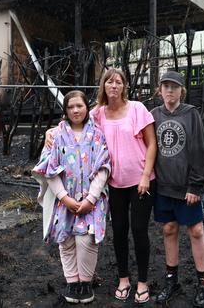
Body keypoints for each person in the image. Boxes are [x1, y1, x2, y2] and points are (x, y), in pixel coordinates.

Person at [45, 68, 157, 304]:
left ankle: (143, 282)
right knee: (119, 231)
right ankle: (124, 279)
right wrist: (50, 131)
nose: (114, 86)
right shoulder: (97, 113)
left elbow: (152, 143)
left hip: (140, 182)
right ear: (103, 86)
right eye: (109, 82)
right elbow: (73, 119)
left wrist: (146, 175)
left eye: (118, 82)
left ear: (124, 86)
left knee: (139, 230)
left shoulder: (137, 109)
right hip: (114, 184)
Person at [33, 90, 111, 304]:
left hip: (91, 202)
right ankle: (72, 282)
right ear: (65, 110)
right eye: (71, 107)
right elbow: (49, 168)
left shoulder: (97, 134)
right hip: (64, 200)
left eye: (80, 106)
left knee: (87, 238)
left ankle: (85, 282)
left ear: (87, 108)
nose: (76, 110)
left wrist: (92, 199)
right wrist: (64, 197)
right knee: (66, 239)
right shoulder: (57, 136)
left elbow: (104, 167)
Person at [150, 71, 204, 307]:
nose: (169, 91)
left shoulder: (191, 114)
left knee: (196, 230)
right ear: (160, 89)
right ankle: (171, 280)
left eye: (174, 87)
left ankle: (203, 282)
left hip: (187, 188)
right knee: (168, 229)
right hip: (164, 187)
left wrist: (196, 184)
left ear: (181, 90)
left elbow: (199, 150)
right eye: (165, 86)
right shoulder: (153, 115)